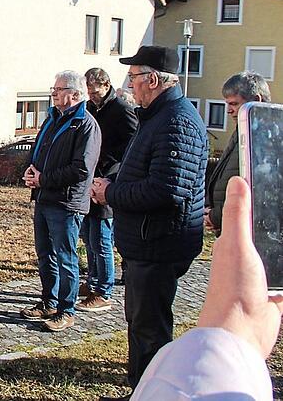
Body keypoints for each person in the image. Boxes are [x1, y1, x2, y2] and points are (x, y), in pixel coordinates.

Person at [92, 45, 209, 396]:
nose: (130, 87)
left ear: (153, 80)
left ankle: (152, 392)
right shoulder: (156, 116)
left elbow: (166, 190)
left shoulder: (176, 121)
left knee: (150, 331)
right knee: (140, 325)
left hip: (159, 243)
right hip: (145, 242)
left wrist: (111, 194)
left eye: (134, 79)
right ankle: (141, 389)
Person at [129, 177, 282, 400]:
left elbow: (169, 186)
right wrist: (240, 329)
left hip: (160, 241)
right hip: (142, 239)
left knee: (151, 319)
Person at [21, 70, 101, 333]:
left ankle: (66, 310)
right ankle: (48, 300)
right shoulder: (52, 119)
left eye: (58, 90)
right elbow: (39, 149)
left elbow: (81, 169)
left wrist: (44, 178)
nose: (53, 94)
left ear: (75, 94)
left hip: (66, 202)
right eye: (53, 89)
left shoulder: (86, 124)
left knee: (66, 257)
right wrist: (31, 171)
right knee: (45, 254)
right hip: (44, 198)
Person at [78, 68, 137, 312]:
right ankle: (92, 281)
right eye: (89, 92)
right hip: (89, 179)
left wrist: (113, 173)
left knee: (102, 239)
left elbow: (134, 146)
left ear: (106, 85)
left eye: (95, 92)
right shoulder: (90, 108)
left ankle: (104, 290)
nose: (92, 96)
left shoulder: (122, 110)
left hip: (109, 181)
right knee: (88, 235)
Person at [205, 71, 270, 237]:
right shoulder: (243, 129)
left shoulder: (265, 136)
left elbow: (258, 191)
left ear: (256, 101)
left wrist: (218, 216)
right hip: (229, 228)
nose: (229, 111)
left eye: (234, 104)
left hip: (246, 234)